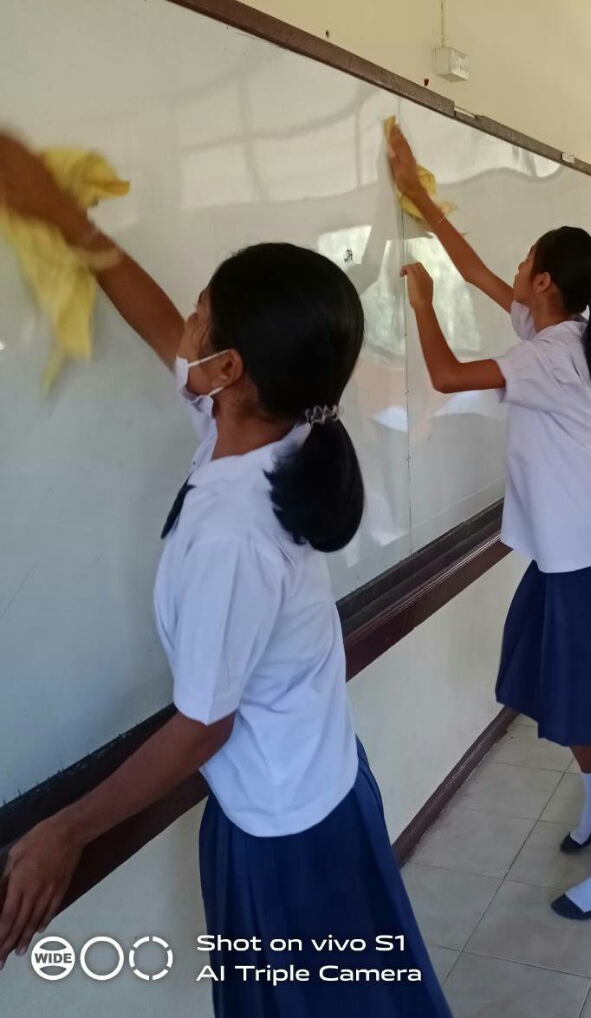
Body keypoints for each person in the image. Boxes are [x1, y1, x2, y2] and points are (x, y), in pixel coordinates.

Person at [0, 134, 452, 1017]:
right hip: (307, 792)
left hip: (291, 833)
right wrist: (66, 220)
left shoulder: (233, 533)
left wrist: (68, 829)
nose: (187, 322)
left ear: (231, 368)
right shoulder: (270, 425)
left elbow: (203, 725)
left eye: (203, 312)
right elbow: (154, 320)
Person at [388, 124, 591, 922]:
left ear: (545, 282)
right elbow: (479, 270)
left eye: (525, 264)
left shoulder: (549, 355)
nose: (512, 272)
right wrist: (419, 197)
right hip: (567, 547)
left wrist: (421, 304)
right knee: (554, 683)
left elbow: (446, 374)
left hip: (585, 554)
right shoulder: (555, 328)